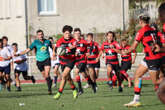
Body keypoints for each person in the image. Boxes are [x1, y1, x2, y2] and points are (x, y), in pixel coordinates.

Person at [124, 14, 162, 107]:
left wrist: (125, 52)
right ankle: (136, 100)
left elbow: (133, 47)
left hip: (153, 59)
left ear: (140, 21)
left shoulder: (141, 31)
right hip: (150, 57)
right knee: (137, 74)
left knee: (156, 82)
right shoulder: (153, 30)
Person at [14, 29, 53, 94]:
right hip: (39, 61)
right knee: (45, 76)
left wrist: (55, 52)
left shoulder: (47, 41)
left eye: (41, 34)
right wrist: (19, 54)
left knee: (47, 74)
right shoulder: (35, 42)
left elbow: (53, 48)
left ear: (43, 34)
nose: (40, 36)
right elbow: (27, 50)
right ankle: (49, 81)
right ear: (37, 36)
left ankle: (49, 89)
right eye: (39, 35)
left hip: (47, 59)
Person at [53, 25, 78, 100]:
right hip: (62, 60)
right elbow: (56, 48)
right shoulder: (60, 40)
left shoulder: (73, 41)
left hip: (71, 60)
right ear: (63, 33)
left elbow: (73, 47)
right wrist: (54, 53)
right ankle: (74, 90)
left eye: (69, 33)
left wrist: (66, 49)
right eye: (66, 33)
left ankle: (59, 93)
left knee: (63, 75)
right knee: (68, 78)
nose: (68, 35)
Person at [73, 28, 93, 95]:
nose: (77, 35)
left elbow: (90, 47)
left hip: (83, 60)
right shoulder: (72, 42)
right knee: (83, 73)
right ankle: (90, 82)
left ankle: (80, 89)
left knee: (76, 72)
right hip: (76, 60)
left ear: (80, 34)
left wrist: (88, 52)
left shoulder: (84, 42)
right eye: (76, 33)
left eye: (79, 33)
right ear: (74, 34)